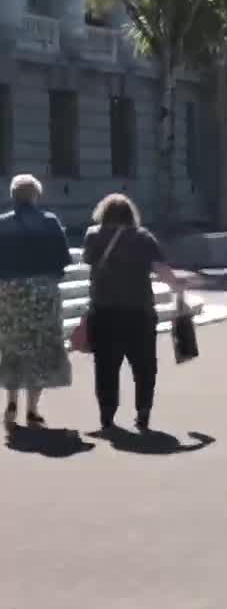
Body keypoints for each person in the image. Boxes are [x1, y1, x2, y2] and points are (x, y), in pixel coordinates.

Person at [83, 192, 187, 432]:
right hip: (138, 312)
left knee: (106, 367)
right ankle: (143, 413)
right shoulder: (143, 238)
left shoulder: (93, 236)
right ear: (131, 214)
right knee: (144, 367)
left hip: (104, 311)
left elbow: (88, 262)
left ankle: (107, 417)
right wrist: (178, 287)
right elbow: (161, 270)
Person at [0, 174, 73, 427]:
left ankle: (10, 401)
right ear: (35, 195)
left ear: (13, 195)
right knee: (41, 347)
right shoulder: (50, 222)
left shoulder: (3, 224)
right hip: (43, 290)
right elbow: (64, 259)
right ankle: (32, 409)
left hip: (10, 292)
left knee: (12, 346)